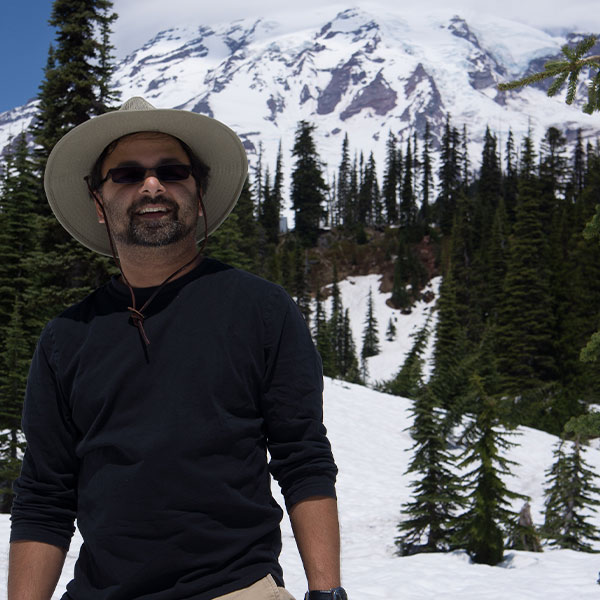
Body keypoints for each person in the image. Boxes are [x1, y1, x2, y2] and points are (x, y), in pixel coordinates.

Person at [8, 97, 348, 600]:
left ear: (199, 193)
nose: (152, 185)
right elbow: (44, 494)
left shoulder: (260, 309)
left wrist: (326, 592)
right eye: (126, 174)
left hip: (236, 588)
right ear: (98, 203)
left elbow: (303, 456)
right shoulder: (67, 336)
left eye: (172, 170)